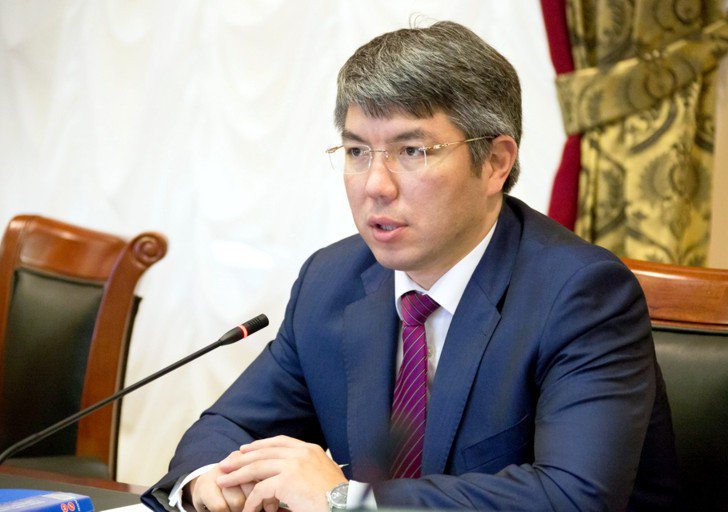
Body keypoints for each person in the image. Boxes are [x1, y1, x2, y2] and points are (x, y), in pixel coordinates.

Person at [142, 21, 677, 512]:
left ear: (495, 162)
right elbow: (230, 426)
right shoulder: (332, 280)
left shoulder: (582, 295)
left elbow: (572, 496)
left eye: (412, 151)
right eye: (357, 152)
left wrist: (346, 501)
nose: (376, 185)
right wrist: (210, 481)